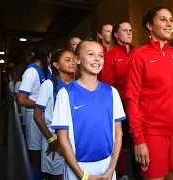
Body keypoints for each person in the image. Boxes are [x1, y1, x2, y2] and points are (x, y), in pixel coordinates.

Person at [125, 6, 173, 180]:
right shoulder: (139, 55)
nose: (169, 24)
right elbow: (131, 99)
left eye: (171, 20)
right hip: (152, 133)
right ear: (150, 26)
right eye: (163, 19)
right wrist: (139, 140)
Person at [51, 41, 125, 180]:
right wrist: (82, 175)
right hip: (79, 167)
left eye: (101, 55)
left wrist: (111, 169)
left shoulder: (112, 93)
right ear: (77, 59)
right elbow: (62, 139)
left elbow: (118, 132)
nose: (97, 59)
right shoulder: (65, 94)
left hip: (107, 166)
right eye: (91, 54)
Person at [100, 21, 135, 180]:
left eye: (130, 30)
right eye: (125, 30)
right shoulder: (111, 55)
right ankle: (120, 172)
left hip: (140, 106)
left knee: (139, 144)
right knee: (120, 143)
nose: (129, 33)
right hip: (121, 106)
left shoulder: (138, 52)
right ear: (116, 34)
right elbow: (107, 87)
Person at [34, 49, 75, 180]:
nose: (72, 63)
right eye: (67, 60)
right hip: (54, 138)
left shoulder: (76, 85)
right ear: (56, 65)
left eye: (73, 60)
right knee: (56, 175)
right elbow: (37, 116)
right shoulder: (48, 85)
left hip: (72, 138)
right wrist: (52, 141)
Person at [18, 40, 52, 180]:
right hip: (34, 119)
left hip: (45, 118)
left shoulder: (47, 70)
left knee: (44, 153)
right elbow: (21, 99)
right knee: (35, 156)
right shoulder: (31, 72)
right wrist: (41, 104)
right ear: (47, 54)